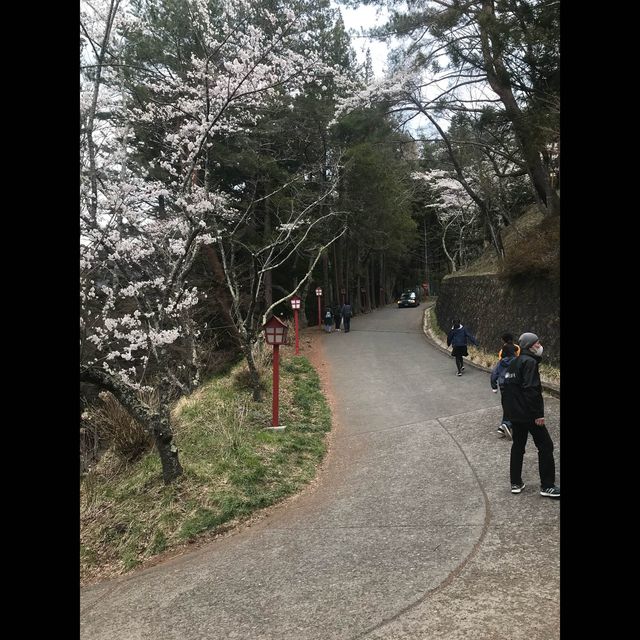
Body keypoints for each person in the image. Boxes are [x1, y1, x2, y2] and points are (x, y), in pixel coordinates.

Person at [502, 332, 560, 499]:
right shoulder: (530, 362)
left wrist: (509, 414)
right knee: (546, 446)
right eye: (537, 343)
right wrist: (538, 414)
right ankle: (547, 486)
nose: (539, 346)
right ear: (529, 346)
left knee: (518, 446)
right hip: (529, 414)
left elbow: (506, 391)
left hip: (515, 415)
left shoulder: (514, 363)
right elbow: (531, 389)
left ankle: (515, 483)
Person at [490, 342, 517, 439]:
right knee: (515, 406)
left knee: (506, 406)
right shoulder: (517, 361)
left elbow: (493, 374)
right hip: (515, 386)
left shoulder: (501, 362)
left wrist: (494, 387)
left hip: (503, 387)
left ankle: (502, 428)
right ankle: (507, 424)